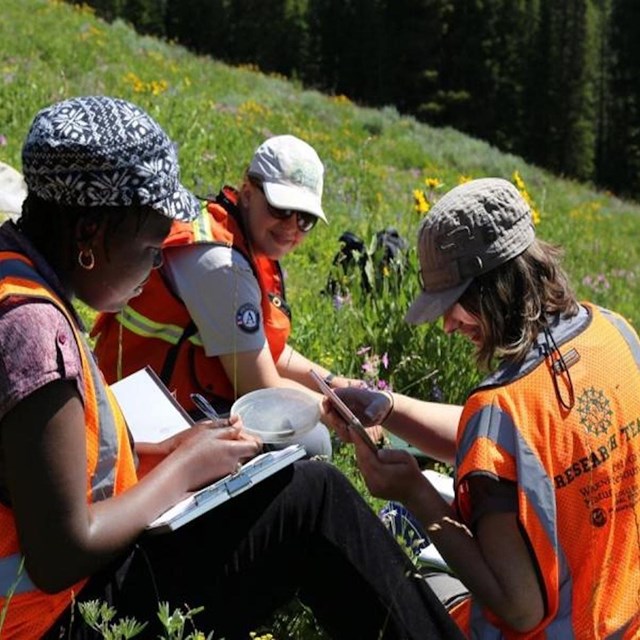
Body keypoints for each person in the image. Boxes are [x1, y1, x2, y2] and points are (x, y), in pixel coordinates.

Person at [0, 95, 463, 640]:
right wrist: (184, 470)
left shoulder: (17, 279)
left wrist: (158, 450)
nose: (156, 265)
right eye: (152, 247)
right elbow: (60, 553)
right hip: (54, 619)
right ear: (89, 235)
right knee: (312, 499)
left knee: (305, 491)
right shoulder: (31, 330)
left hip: (66, 596)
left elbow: (33, 464)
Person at [321, 178, 640, 638]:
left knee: (408, 550)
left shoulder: (499, 410)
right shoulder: (616, 332)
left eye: (455, 304)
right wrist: (386, 406)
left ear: (495, 286)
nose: (449, 325)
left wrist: (415, 492)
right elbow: (523, 446)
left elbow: (520, 610)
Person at [91, 133, 382, 456]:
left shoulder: (241, 237)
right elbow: (260, 388)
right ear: (247, 193)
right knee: (310, 442)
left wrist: (332, 381)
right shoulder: (221, 264)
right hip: (144, 418)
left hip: (167, 394)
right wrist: (335, 407)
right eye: (281, 209)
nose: (291, 227)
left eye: (306, 219)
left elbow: (266, 349)